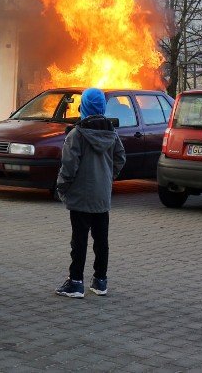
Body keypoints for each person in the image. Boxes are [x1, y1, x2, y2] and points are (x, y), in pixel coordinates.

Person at [54, 88, 126, 298]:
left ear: (83, 105)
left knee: (79, 240)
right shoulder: (111, 132)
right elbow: (121, 158)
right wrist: (107, 176)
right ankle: (100, 281)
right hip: (102, 195)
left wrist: (62, 187)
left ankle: (76, 282)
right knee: (101, 239)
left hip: (80, 196)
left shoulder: (77, 134)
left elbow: (69, 166)